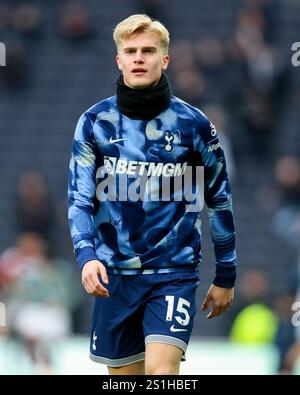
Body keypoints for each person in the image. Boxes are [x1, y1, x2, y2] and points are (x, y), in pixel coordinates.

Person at [68, 14, 237, 375]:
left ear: (165, 59)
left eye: (148, 50)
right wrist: (86, 256)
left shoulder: (194, 125)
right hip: (114, 275)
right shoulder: (94, 123)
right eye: (130, 51)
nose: (139, 58)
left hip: (173, 274)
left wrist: (226, 274)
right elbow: (80, 199)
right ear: (119, 60)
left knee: (162, 373)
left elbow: (219, 199)